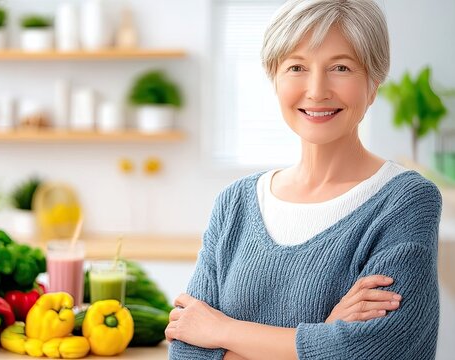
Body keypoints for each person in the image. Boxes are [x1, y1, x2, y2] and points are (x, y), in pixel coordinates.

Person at [165, 0, 441, 359]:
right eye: (296, 66)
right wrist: (324, 337)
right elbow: (186, 351)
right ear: (275, 80)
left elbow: (377, 350)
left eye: (341, 67)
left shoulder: (406, 200)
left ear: (373, 84)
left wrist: (224, 331)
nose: (316, 90)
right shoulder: (234, 203)